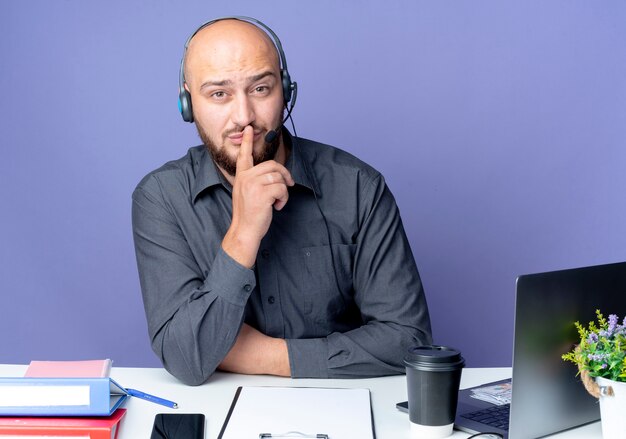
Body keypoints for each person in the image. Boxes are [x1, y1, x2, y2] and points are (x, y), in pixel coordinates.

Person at [132, 16, 432, 386]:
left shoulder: (359, 187)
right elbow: (185, 357)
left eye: (260, 89)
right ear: (187, 104)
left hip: (342, 404)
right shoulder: (160, 198)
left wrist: (262, 354)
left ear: (286, 91)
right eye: (219, 94)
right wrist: (242, 234)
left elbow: (409, 341)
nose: (244, 118)